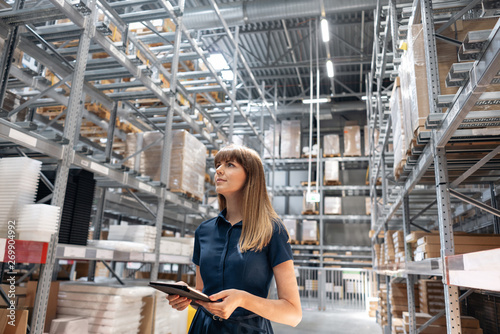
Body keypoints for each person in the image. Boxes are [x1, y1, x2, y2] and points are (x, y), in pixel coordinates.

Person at [167, 144, 302, 333]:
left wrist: (243, 299)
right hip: (203, 328)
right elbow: (203, 296)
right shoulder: (204, 231)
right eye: (218, 165)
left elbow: (293, 314)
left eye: (230, 164)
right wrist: (187, 296)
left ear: (251, 176)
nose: (218, 170)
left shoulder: (272, 230)